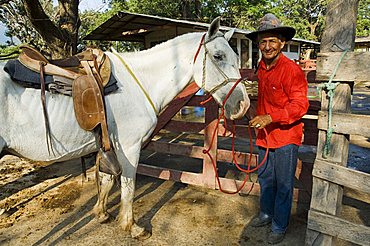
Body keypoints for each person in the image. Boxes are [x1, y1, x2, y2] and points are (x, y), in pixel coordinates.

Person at [245, 13, 309, 244]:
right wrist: (253, 109)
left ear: (282, 43)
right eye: (263, 42)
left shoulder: (291, 70)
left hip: (285, 137)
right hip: (264, 136)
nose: (267, 46)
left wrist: (270, 117)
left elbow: (301, 105)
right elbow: (261, 98)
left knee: (283, 183)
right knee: (265, 178)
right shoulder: (260, 68)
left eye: (272, 41)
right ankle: (265, 213)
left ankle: (280, 225)